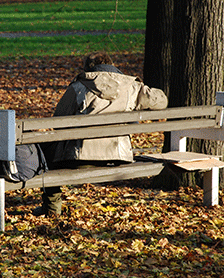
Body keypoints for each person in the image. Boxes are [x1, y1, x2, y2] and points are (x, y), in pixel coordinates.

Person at [35, 52, 168, 217]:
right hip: (118, 156)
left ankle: (52, 208)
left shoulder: (78, 87)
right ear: (111, 66)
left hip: (79, 158)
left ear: (89, 69)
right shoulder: (132, 87)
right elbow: (161, 101)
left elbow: (58, 121)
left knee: (45, 158)